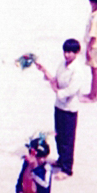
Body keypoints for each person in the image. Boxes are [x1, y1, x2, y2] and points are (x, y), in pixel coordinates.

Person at [34, 39, 89, 178]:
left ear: (76, 53)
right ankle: (61, 159)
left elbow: (71, 90)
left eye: (70, 52)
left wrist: (56, 91)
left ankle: (67, 168)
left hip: (69, 108)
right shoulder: (62, 64)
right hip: (59, 105)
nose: (67, 55)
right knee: (59, 136)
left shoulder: (77, 70)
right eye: (65, 51)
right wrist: (44, 70)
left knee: (67, 139)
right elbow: (56, 80)